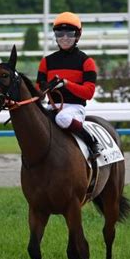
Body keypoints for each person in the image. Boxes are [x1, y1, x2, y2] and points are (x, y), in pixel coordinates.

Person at [36, 11, 103, 161]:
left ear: (77, 36)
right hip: (51, 108)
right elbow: (38, 91)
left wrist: (66, 84)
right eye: (60, 33)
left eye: (69, 33)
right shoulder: (46, 62)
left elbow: (89, 93)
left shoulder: (87, 62)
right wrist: (43, 88)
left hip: (74, 109)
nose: (64, 38)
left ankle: (92, 142)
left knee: (62, 118)